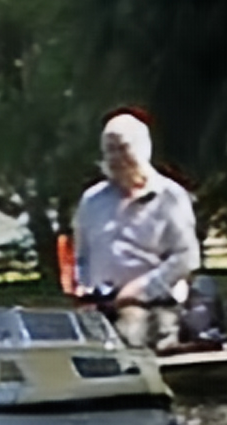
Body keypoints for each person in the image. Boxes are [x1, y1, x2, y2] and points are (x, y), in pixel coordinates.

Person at [71, 110, 202, 351]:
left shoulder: (170, 196)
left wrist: (140, 289)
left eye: (122, 148)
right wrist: (83, 287)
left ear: (143, 148)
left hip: (156, 303)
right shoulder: (92, 201)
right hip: (101, 303)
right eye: (110, 150)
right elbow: (81, 256)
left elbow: (187, 258)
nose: (116, 157)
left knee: (129, 335)